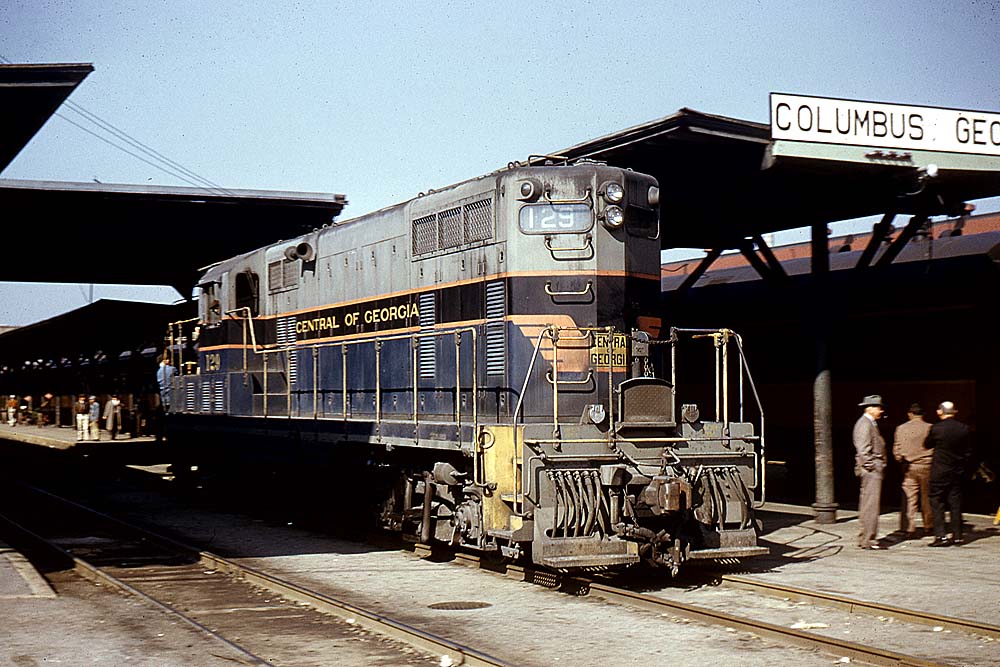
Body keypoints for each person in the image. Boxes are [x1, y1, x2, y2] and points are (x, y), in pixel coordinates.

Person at [926, 401, 973, 547]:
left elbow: (927, 444)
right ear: (955, 412)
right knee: (955, 502)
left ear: (940, 412)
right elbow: (969, 451)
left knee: (936, 501)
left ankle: (941, 536)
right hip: (957, 471)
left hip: (939, 470)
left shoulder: (936, 428)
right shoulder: (964, 429)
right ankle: (957, 536)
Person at [892, 402, 934, 538]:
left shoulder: (901, 428)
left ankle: (909, 528)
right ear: (923, 414)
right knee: (927, 497)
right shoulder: (930, 428)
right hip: (927, 466)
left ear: (909, 414)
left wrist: (901, 460)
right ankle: (929, 525)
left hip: (909, 467)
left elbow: (896, 450)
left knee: (910, 498)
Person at [853, 394, 886, 550]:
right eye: (879, 407)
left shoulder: (869, 423)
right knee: (870, 505)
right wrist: (872, 466)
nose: (881, 410)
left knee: (869, 505)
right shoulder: (865, 424)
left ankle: (867, 537)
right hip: (871, 470)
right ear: (870, 408)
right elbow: (863, 449)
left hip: (872, 469)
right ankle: (869, 539)